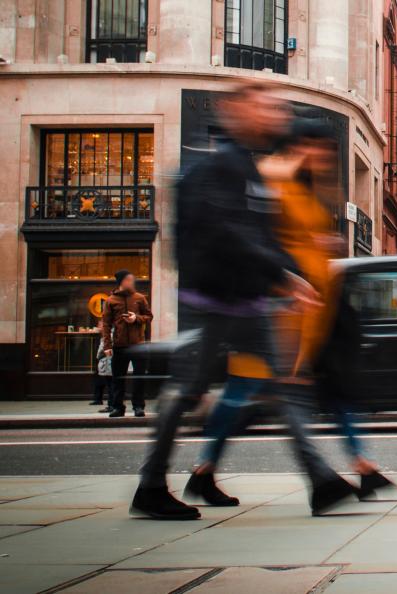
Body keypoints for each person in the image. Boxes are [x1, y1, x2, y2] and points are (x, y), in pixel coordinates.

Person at [131, 82, 356, 521]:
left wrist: (289, 276)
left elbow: (263, 236)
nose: (276, 114)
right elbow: (229, 233)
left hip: (249, 302)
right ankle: (152, 484)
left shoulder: (250, 169)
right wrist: (285, 277)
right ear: (237, 110)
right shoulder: (223, 167)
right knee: (188, 393)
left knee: (286, 389)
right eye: (266, 106)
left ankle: (322, 481)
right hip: (214, 302)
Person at [189, 118, 394, 500]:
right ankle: (324, 479)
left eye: (327, 150)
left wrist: (323, 244)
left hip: (311, 310)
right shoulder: (274, 178)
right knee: (250, 393)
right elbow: (258, 239)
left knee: (271, 393)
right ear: (298, 144)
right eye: (314, 146)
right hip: (276, 308)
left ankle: (206, 471)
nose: (322, 155)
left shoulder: (307, 187)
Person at [101, 270, 152, 418]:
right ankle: (118, 407)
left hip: (139, 345)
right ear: (121, 282)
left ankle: (138, 407)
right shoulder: (111, 301)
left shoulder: (140, 298)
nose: (132, 282)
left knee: (139, 377)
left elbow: (149, 316)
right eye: (129, 279)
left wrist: (136, 318)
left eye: (132, 279)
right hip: (119, 345)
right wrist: (107, 346)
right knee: (118, 379)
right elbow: (106, 324)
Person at [92, 328, 112, 411]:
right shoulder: (105, 337)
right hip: (106, 363)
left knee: (111, 385)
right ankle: (110, 404)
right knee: (109, 384)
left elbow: (102, 351)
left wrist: (99, 356)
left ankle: (111, 405)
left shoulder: (108, 336)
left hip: (107, 363)